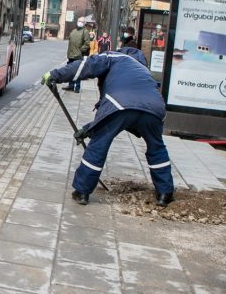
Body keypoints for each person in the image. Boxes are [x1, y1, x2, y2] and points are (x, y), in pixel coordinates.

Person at [42, 46, 174, 206]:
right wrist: (88, 129)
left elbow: (86, 65)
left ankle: (82, 191)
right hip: (155, 107)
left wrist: (55, 75)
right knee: (157, 147)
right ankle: (165, 193)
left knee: (99, 145)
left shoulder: (114, 57)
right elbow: (134, 111)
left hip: (118, 103)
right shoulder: (143, 70)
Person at [65, 18, 91, 92]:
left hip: (78, 55)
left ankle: (77, 87)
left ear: (84, 23)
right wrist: (68, 53)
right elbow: (70, 43)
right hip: (71, 55)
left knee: (78, 72)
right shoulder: (73, 31)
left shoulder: (85, 32)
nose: (80, 22)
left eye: (82, 21)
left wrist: (80, 51)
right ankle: (71, 85)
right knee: (70, 71)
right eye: (79, 21)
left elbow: (87, 44)